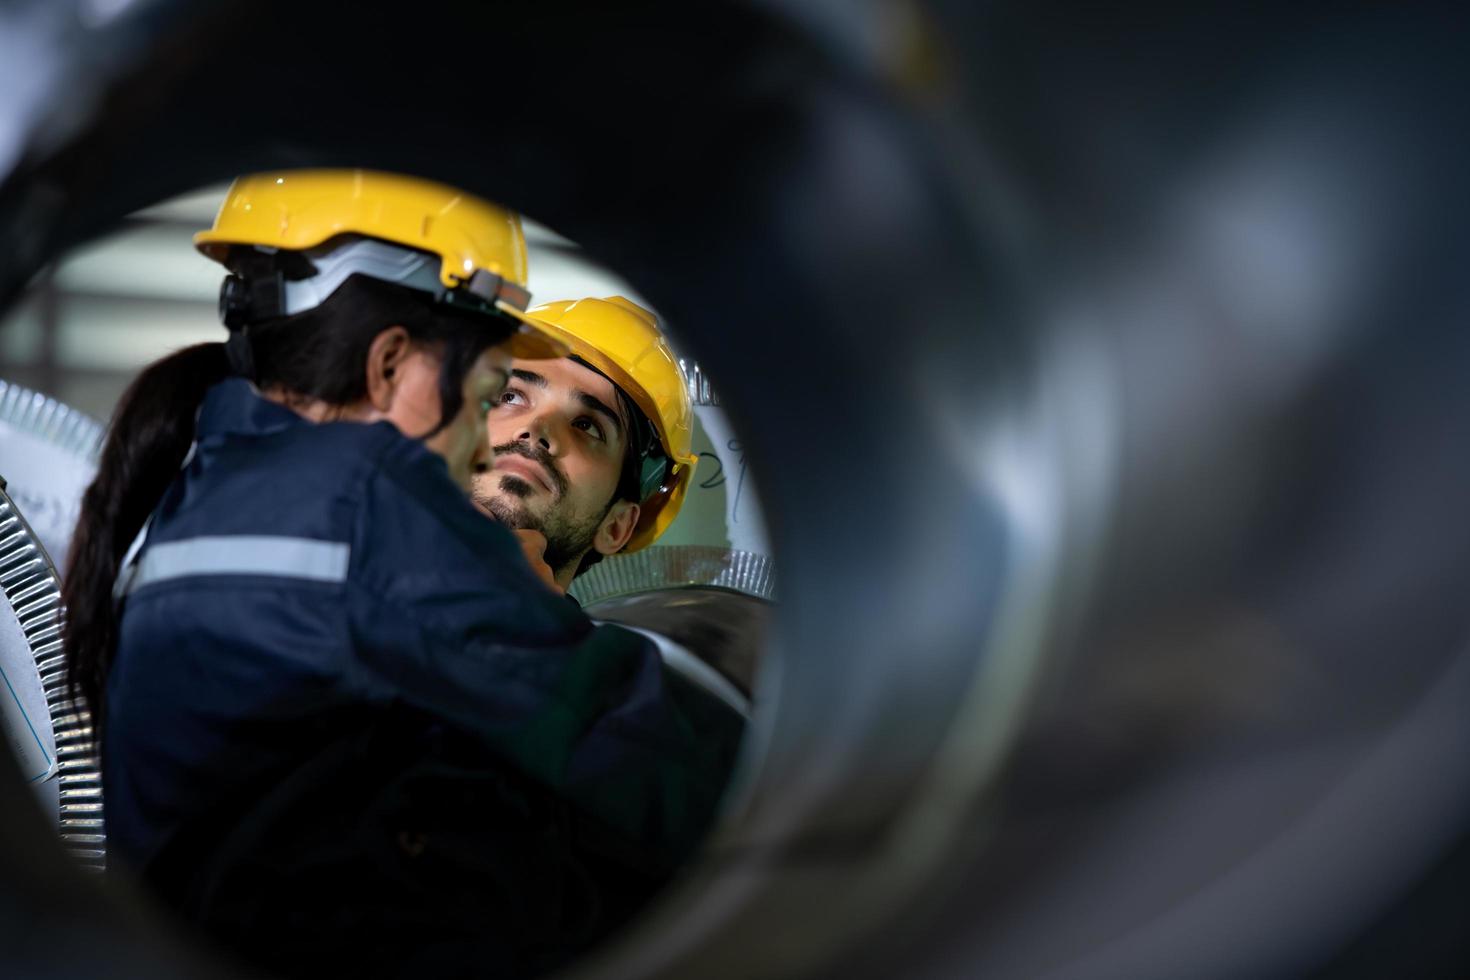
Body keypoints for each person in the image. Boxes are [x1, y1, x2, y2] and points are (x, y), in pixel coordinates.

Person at [60, 170, 739, 977]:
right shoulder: (363, 510)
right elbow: (661, 759)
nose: (516, 435)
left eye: (587, 424)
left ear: (624, 522)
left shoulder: (208, 493)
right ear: (390, 367)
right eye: (498, 392)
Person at [473, 296, 698, 593]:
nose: (536, 428)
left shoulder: (608, 643)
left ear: (615, 525)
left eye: (586, 426)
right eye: (510, 397)